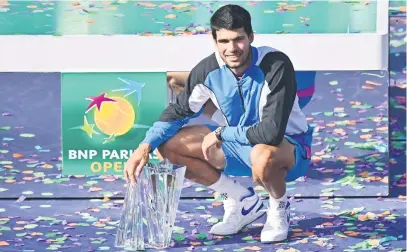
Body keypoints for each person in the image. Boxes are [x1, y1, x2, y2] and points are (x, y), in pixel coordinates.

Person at [124, 4, 313, 243]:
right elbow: (177, 112)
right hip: (240, 145)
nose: (232, 48)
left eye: (238, 39)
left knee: (263, 155)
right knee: (169, 146)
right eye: (223, 41)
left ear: (251, 37)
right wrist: (145, 146)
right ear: (214, 41)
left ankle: (278, 207)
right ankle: (241, 200)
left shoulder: (275, 64)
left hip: (287, 150)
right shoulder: (207, 70)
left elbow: (271, 132)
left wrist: (223, 132)